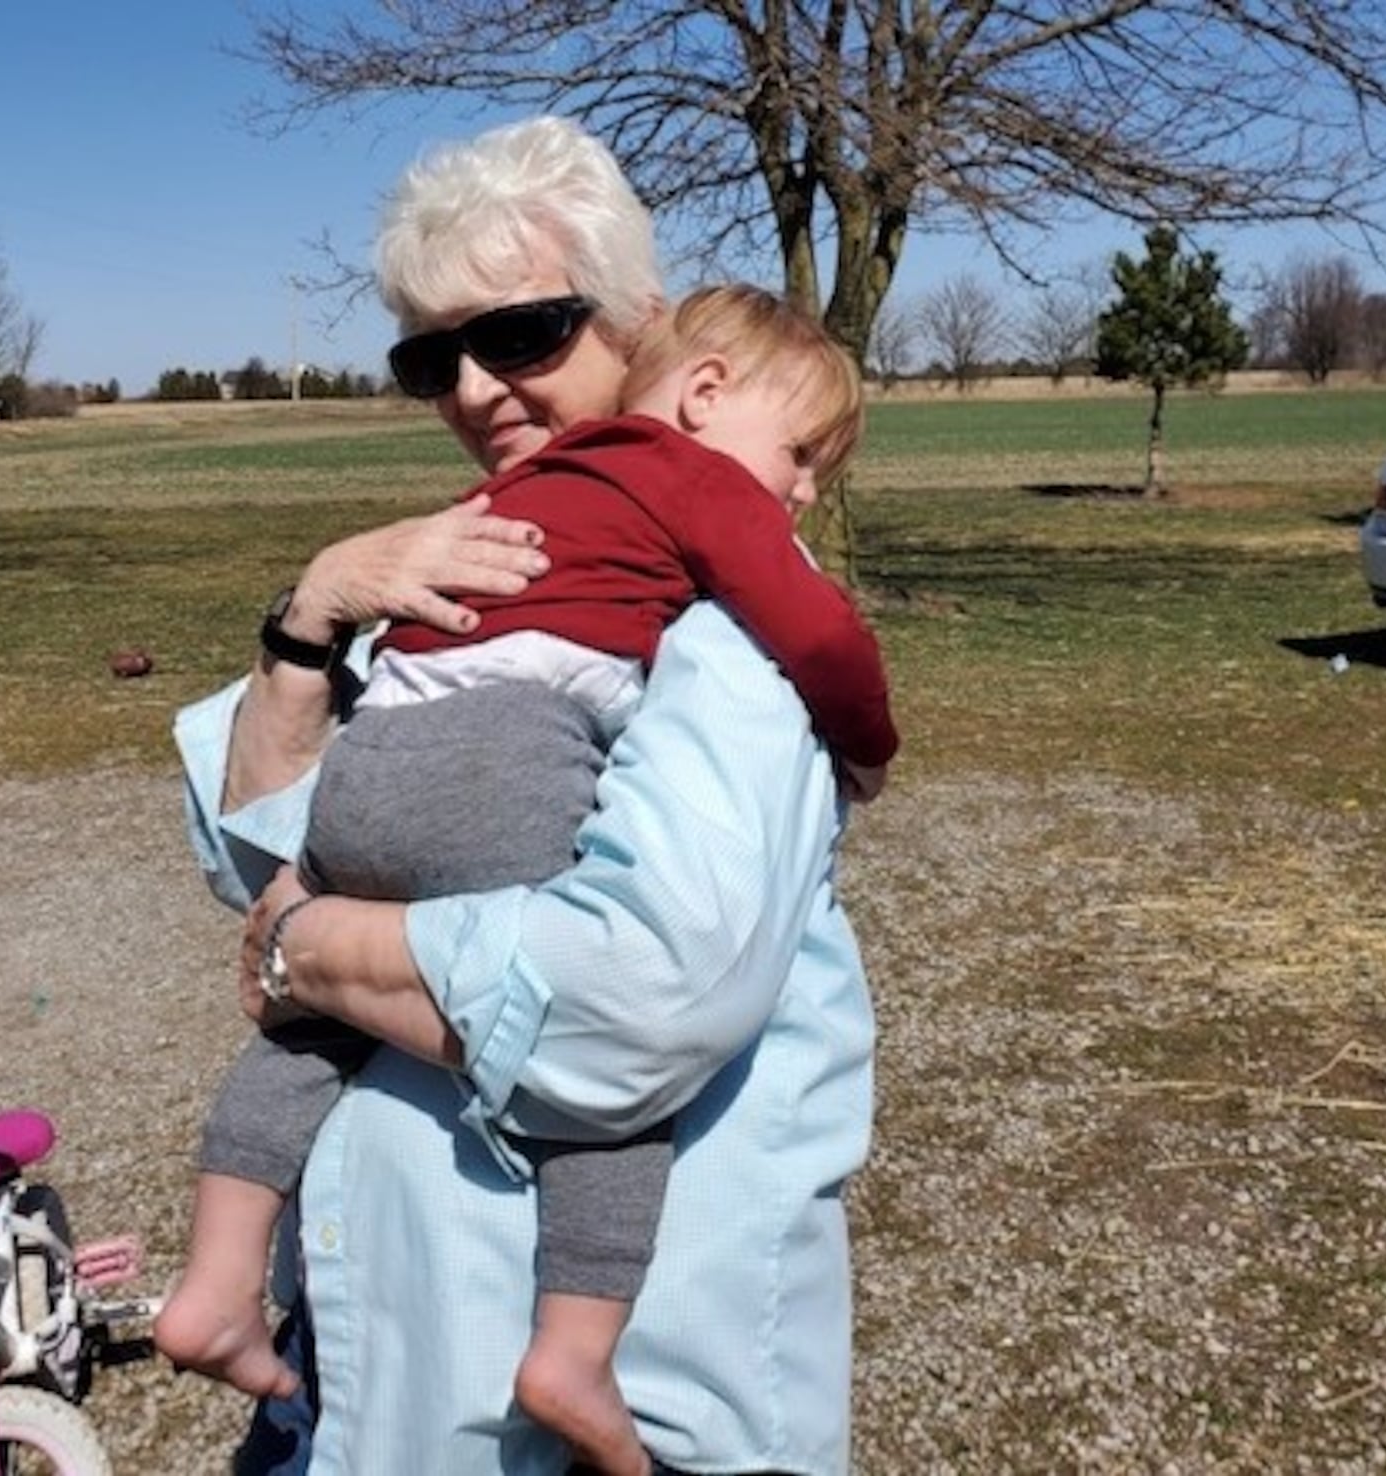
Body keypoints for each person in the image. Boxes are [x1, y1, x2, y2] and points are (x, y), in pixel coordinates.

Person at [175, 114, 878, 1476]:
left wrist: (316, 949)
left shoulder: (722, 638)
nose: (477, 390)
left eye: (525, 335)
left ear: (645, 326)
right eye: (432, 355)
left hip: (588, 1402)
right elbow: (246, 844)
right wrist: (314, 611)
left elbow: (630, 1004)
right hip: (372, 1364)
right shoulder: (473, 568)